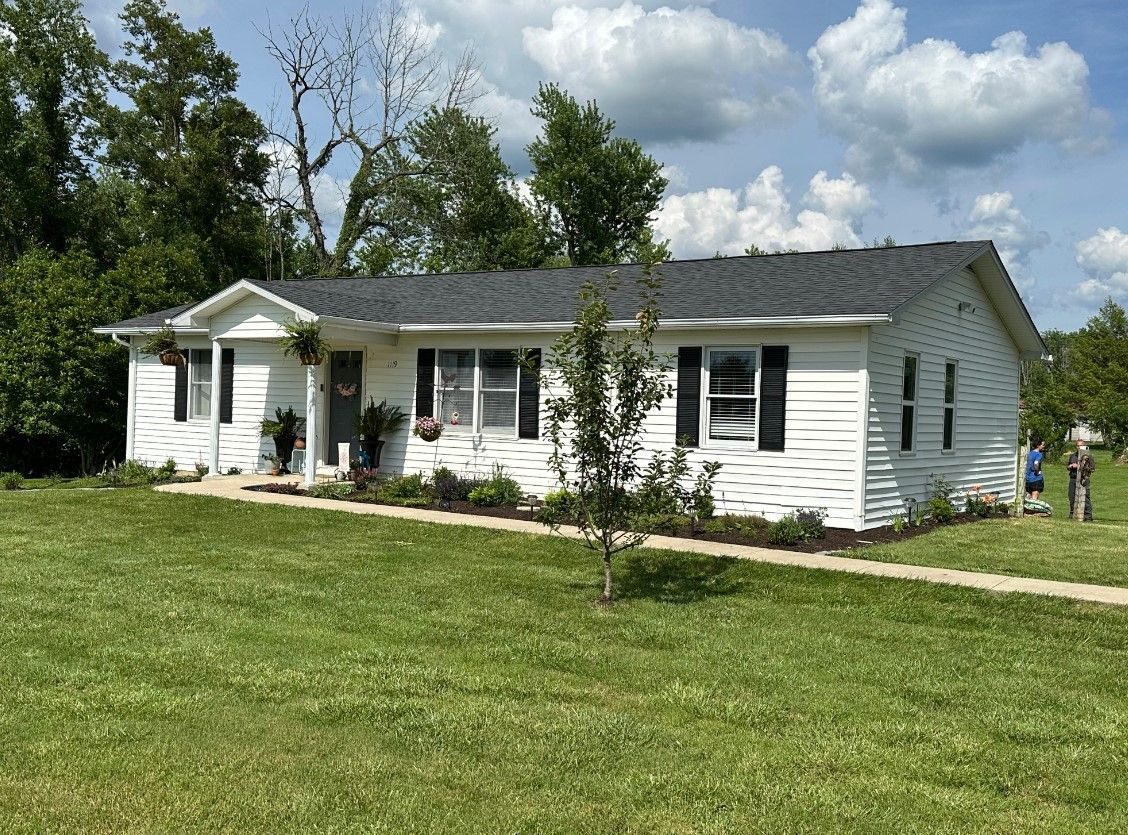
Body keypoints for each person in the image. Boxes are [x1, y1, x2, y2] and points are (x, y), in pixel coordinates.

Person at [1068, 438, 1095, 521]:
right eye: (1078, 446)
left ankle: (1088, 516)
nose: (1079, 447)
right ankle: (1074, 513)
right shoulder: (1073, 456)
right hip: (1073, 478)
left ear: (1084, 446)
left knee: (1085, 497)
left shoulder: (1088, 456)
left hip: (1083, 479)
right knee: (1071, 496)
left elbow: (1092, 468)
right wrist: (1070, 466)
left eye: (1081, 445)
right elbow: (1068, 466)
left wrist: (1080, 466)